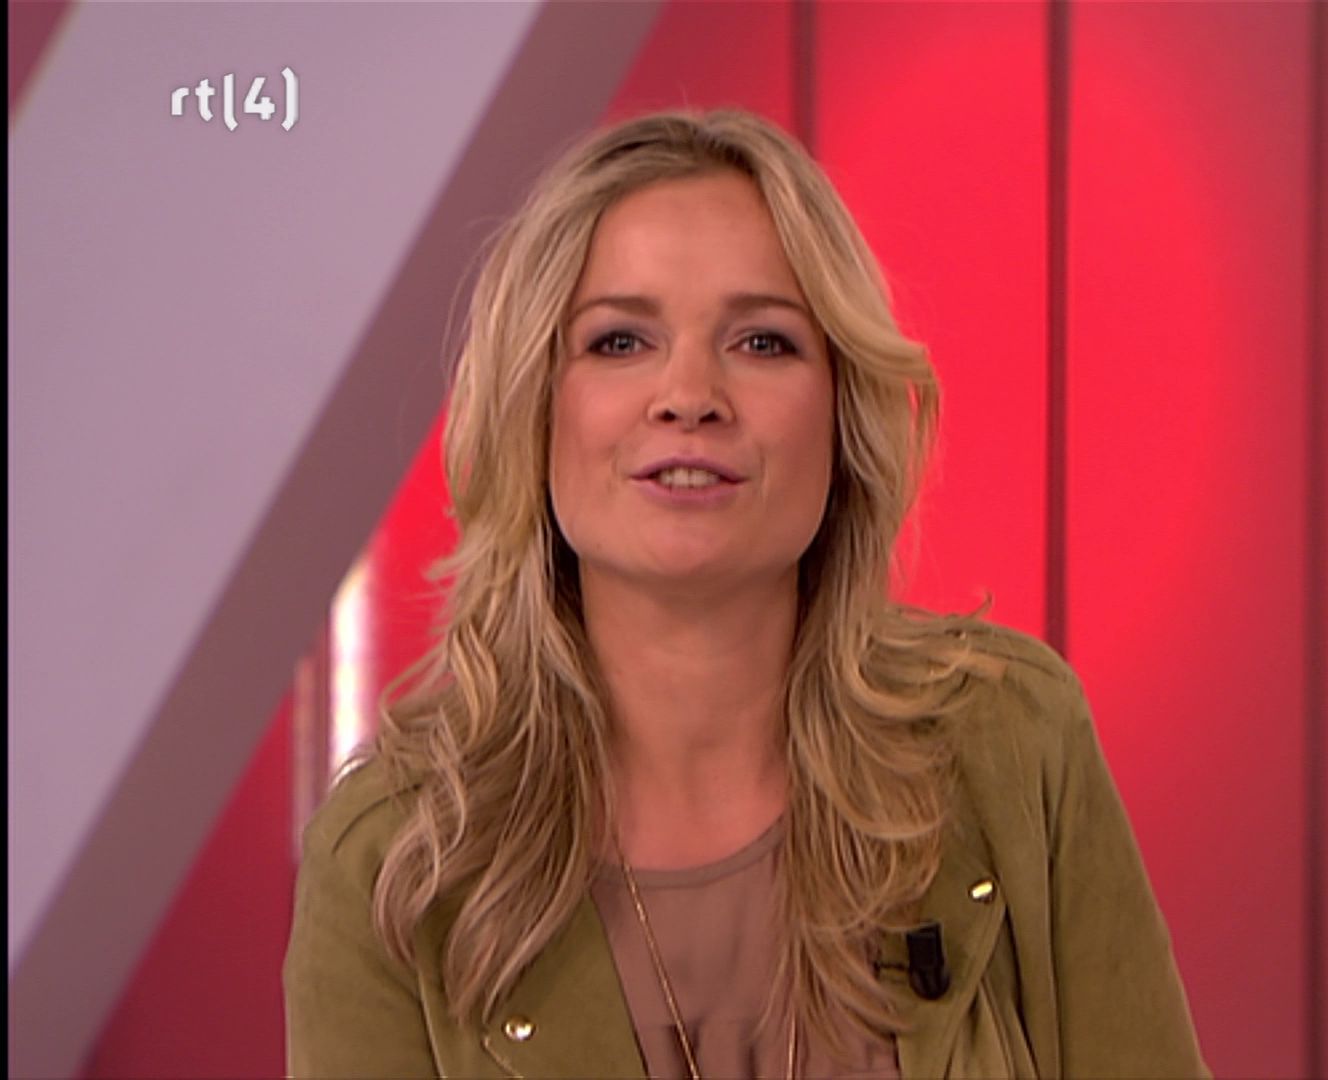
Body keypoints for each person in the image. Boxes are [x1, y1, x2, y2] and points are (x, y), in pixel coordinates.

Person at [282, 108, 1206, 1079]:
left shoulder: (1013, 742)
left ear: (842, 413)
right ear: (534, 409)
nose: (689, 396)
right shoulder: (394, 860)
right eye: (619, 342)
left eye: (762, 342)